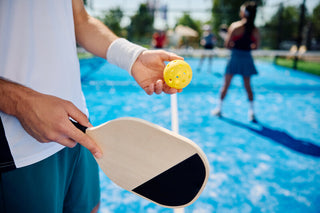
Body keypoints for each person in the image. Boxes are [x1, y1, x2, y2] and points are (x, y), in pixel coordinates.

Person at [0, 0, 183, 212]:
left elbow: (80, 19)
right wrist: (20, 102)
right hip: (18, 145)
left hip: (80, 129)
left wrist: (134, 56)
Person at [211, 1, 260, 122]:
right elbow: (256, 46)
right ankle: (252, 113)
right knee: (248, 86)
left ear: (244, 13)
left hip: (235, 58)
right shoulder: (255, 30)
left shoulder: (235, 27)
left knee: (225, 85)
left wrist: (234, 44)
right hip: (247, 58)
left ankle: (219, 109)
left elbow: (227, 45)